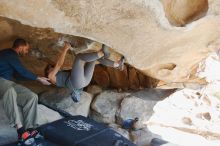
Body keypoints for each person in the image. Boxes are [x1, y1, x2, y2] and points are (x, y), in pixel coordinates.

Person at [0, 38, 51, 142]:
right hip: (1, 81)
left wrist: (37, 79)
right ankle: (20, 130)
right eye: (26, 49)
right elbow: (22, 71)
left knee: (32, 96)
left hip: (8, 82)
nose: (27, 52)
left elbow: (18, 76)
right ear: (21, 47)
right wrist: (38, 78)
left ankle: (30, 129)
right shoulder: (8, 54)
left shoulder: (12, 57)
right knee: (10, 91)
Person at [45, 42, 125, 102]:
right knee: (79, 58)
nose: (52, 67)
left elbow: (60, 67)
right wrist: (65, 49)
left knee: (93, 59)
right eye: (50, 68)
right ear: (47, 71)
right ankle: (103, 53)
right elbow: (59, 64)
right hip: (76, 83)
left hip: (84, 82)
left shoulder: (58, 78)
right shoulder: (50, 76)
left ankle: (117, 65)